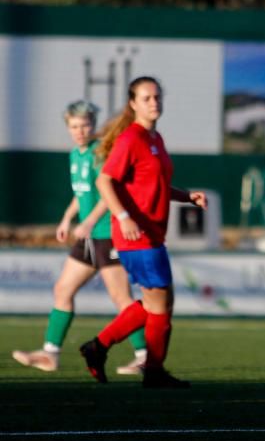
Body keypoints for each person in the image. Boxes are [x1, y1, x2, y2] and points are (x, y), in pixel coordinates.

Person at [78, 76, 207, 389]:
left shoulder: (155, 138)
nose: (154, 102)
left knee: (159, 304)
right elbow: (104, 182)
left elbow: (157, 186)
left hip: (151, 234)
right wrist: (123, 217)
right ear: (133, 103)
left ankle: (101, 349)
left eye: (157, 97)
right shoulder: (131, 139)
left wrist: (187, 196)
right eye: (147, 98)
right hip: (137, 237)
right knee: (159, 305)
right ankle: (152, 370)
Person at [12, 100, 147, 375]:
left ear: (93, 125)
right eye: (74, 126)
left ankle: (146, 357)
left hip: (108, 235)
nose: (80, 130)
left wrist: (88, 221)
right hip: (88, 238)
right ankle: (50, 354)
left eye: (85, 125)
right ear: (68, 128)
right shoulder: (75, 154)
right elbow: (82, 192)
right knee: (62, 290)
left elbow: (110, 195)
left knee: (122, 299)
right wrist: (66, 218)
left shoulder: (101, 153)